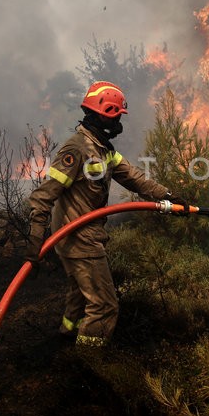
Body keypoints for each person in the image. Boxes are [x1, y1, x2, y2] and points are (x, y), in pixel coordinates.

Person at [25, 81, 188, 347]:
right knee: (104, 305)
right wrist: (34, 240)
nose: (118, 124)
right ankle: (89, 361)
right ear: (106, 114)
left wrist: (168, 197)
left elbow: (135, 178)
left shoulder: (103, 151)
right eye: (116, 117)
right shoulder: (76, 150)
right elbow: (43, 196)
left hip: (79, 236)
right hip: (79, 239)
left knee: (80, 291)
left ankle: (67, 335)